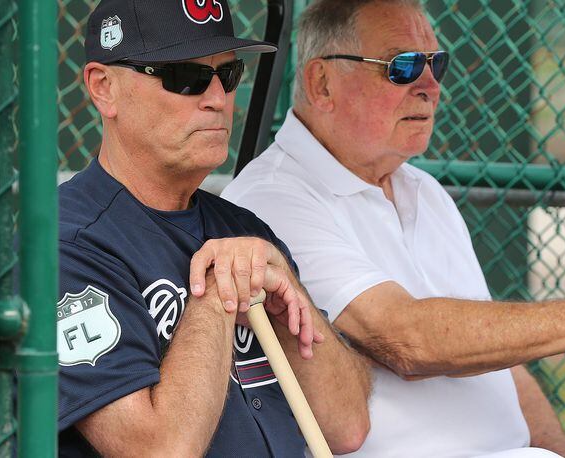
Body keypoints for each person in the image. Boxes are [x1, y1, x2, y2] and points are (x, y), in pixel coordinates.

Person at [219, 0, 565, 456]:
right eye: (403, 66)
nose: (430, 85)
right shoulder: (272, 201)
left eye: (436, 63)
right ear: (321, 83)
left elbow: (501, 363)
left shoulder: (423, 190)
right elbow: (407, 340)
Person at [56, 0, 371, 456]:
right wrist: (218, 296)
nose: (218, 99)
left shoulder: (246, 231)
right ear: (104, 88)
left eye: (228, 75)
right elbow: (159, 451)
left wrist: (288, 294)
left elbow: (348, 426)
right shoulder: (68, 245)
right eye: (186, 77)